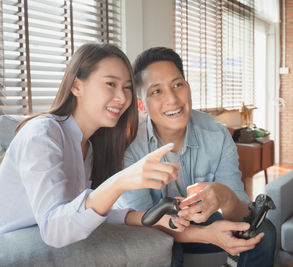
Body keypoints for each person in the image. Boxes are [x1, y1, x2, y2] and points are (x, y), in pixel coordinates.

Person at [0, 43, 181, 248]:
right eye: (111, 84)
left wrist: (150, 217)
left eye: (127, 87)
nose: (122, 98)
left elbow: (82, 214)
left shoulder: (90, 147)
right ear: (76, 86)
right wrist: (121, 180)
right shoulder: (42, 133)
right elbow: (55, 230)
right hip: (15, 246)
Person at [117, 47, 276, 267]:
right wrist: (206, 235)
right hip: (156, 230)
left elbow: (240, 214)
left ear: (188, 88)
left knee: (263, 231)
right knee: (161, 245)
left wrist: (225, 197)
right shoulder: (130, 147)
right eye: (157, 91)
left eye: (177, 85)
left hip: (204, 223)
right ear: (142, 105)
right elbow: (143, 222)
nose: (172, 99)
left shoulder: (217, 135)